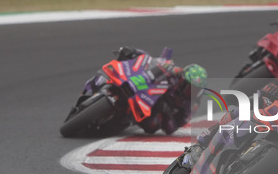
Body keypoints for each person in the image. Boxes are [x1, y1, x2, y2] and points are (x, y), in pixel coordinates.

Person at [80, 46, 208, 135]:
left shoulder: (192, 104)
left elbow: (173, 127)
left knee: (152, 125)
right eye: (190, 87)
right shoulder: (175, 72)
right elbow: (153, 62)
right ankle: (92, 88)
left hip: (152, 111)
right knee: (118, 65)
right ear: (182, 80)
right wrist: (135, 52)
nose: (191, 91)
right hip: (144, 88)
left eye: (196, 90)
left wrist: (166, 112)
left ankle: (117, 122)